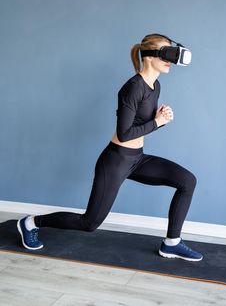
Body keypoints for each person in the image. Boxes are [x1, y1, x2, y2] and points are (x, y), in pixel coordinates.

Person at [17, 33, 203, 262]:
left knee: (187, 181)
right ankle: (30, 222)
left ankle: (172, 243)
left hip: (137, 159)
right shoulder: (132, 88)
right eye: (166, 54)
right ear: (149, 56)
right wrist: (158, 122)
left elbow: (140, 127)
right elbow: (124, 134)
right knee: (89, 223)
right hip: (116, 161)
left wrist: (159, 119)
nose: (170, 60)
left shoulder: (155, 86)